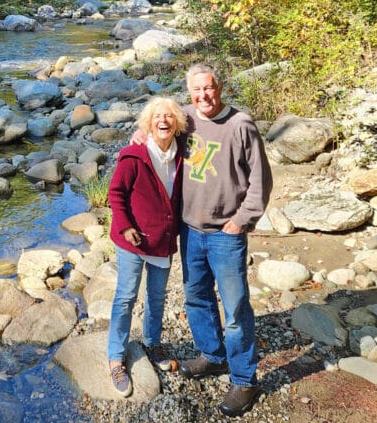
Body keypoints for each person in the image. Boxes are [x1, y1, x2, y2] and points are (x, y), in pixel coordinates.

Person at [131, 63, 273, 417]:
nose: (203, 96)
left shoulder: (240, 124)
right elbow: (158, 133)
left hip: (226, 233)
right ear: (189, 92)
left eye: (208, 88)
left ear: (220, 87)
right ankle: (213, 355)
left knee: (236, 308)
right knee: (196, 298)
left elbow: (261, 180)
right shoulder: (186, 119)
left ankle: (244, 379)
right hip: (189, 229)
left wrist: (242, 221)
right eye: (197, 91)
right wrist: (140, 137)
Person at [105, 96, 188, 397]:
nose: (163, 120)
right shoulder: (134, 155)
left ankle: (152, 344)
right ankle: (116, 357)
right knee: (126, 297)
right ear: (148, 124)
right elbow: (115, 193)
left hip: (162, 240)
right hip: (131, 240)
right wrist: (126, 226)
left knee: (157, 298)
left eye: (168, 116)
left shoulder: (184, 154)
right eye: (156, 117)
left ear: (177, 123)